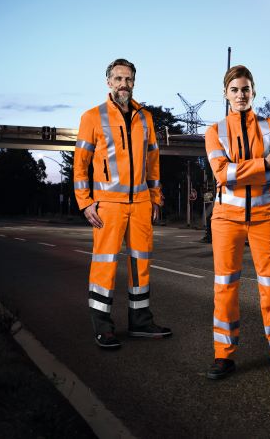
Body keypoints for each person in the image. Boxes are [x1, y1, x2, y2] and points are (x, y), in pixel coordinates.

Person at [74, 58, 172, 349]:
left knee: (141, 264)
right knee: (104, 265)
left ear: (134, 82)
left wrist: (155, 197)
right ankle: (103, 327)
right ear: (108, 82)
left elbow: (153, 162)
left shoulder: (146, 118)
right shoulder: (92, 117)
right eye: (117, 79)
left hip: (141, 203)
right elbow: (81, 165)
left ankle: (141, 322)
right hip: (108, 205)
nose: (123, 85)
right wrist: (85, 202)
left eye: (128, 79)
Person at [204, 65, 270, 381]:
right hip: (226, 220)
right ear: (225, 94)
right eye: (234, 90)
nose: (240, 95)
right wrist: (262, 163)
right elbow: (221, 175)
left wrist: (244, 169)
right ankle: (223, 357)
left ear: (253, 91)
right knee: (225, 289)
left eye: (245, 89)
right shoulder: (214, 131)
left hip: (265, 217)